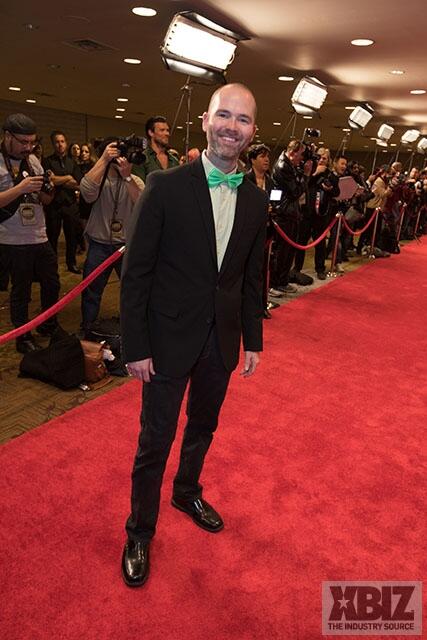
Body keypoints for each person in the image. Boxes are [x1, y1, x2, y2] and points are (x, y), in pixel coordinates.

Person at [120, 83, 267, 588]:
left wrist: (253, 339)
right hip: (165, 341)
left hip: (220, 340)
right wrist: (136, 345)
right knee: (154, 440)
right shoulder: (165, 185)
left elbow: (250, 277)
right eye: (224, 115)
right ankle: (140, 530)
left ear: (252, 130)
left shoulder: (255, 200)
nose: (232, 127)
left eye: (242, 119)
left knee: (203, 425)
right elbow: (135, 273)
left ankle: (186, 491)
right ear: (205, 120)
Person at [0, 114, 60, 352]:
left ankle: (48, 324)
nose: (28, 147)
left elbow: (45, 199)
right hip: (12, 238)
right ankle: (22, 336)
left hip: (39, 235)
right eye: (23, 142)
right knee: (21, 290)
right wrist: (20, 188)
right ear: (7, 136)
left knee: (52, 283)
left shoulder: (33, 160)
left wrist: (48, 188)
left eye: (32, 142)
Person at [79, 138, 144, 336]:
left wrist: (127, 177)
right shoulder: (99, 179)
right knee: (91, 291)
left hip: (125, 246)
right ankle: (88, 329)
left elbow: (142, 205)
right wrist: (104, 160)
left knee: (133, 290)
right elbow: (87, 192)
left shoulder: (135, 180)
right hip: (99, 244)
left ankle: (132, 331)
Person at [269, 139, 313, 296]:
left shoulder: (290, 165)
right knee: (281, 252)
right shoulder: (283, 167)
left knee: (288, 251)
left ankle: (282, 281)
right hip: (283, 213)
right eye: (301, 155)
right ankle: (274, 283)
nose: (302, 159)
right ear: (293, 153)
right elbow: (295, 192)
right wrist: (306, 175)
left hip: (290, 212)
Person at [43, 131, 82, 273]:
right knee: (52, 237)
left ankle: (71, 264)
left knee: (71, 237)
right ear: (53, 144)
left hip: (70, 204)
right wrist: (68, 177)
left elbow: (77, 183)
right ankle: (51, 266)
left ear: (66, 143)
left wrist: (58, 179)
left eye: (62, 141)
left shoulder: (72, 162)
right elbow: (49, 180)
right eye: (57, 142)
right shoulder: (47, 161)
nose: (60, 144)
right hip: (53, 205)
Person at [246, 143, 275, 317]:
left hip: (266, 231)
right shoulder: (244, 180)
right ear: (252, 160)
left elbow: (277, 203)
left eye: (267, 157)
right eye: (262, 156)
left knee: (263, 270)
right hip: (248, 231)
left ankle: (262, 305)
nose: (266, 160)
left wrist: (272, 209)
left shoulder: (271, 181)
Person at [131, 116, 179, 181]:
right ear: (151, 133)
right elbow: (138, 185)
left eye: (167, 130)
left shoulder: (174, 160)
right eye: (162, 130)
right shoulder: (142, 158)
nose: (167, 133)